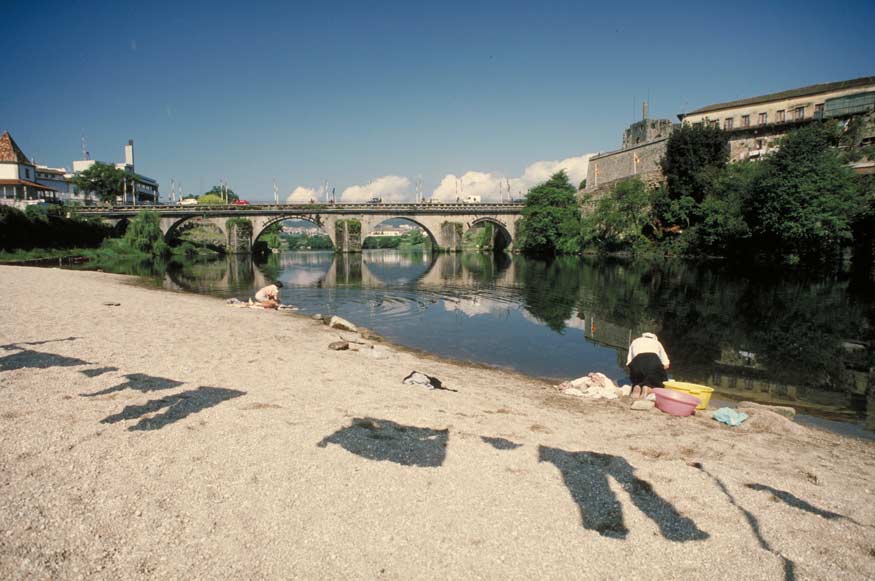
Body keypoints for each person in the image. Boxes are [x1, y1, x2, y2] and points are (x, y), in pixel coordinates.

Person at [626, 332, 670, 398]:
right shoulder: (657, 343)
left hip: (637, 363)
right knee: (660, 383)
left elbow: (629, 363)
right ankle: (648, 389)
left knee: (639, 379)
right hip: (653, 360)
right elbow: (666, 365)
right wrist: (658, 372)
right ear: (655, 338)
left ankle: (637, 386)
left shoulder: (635, 341)